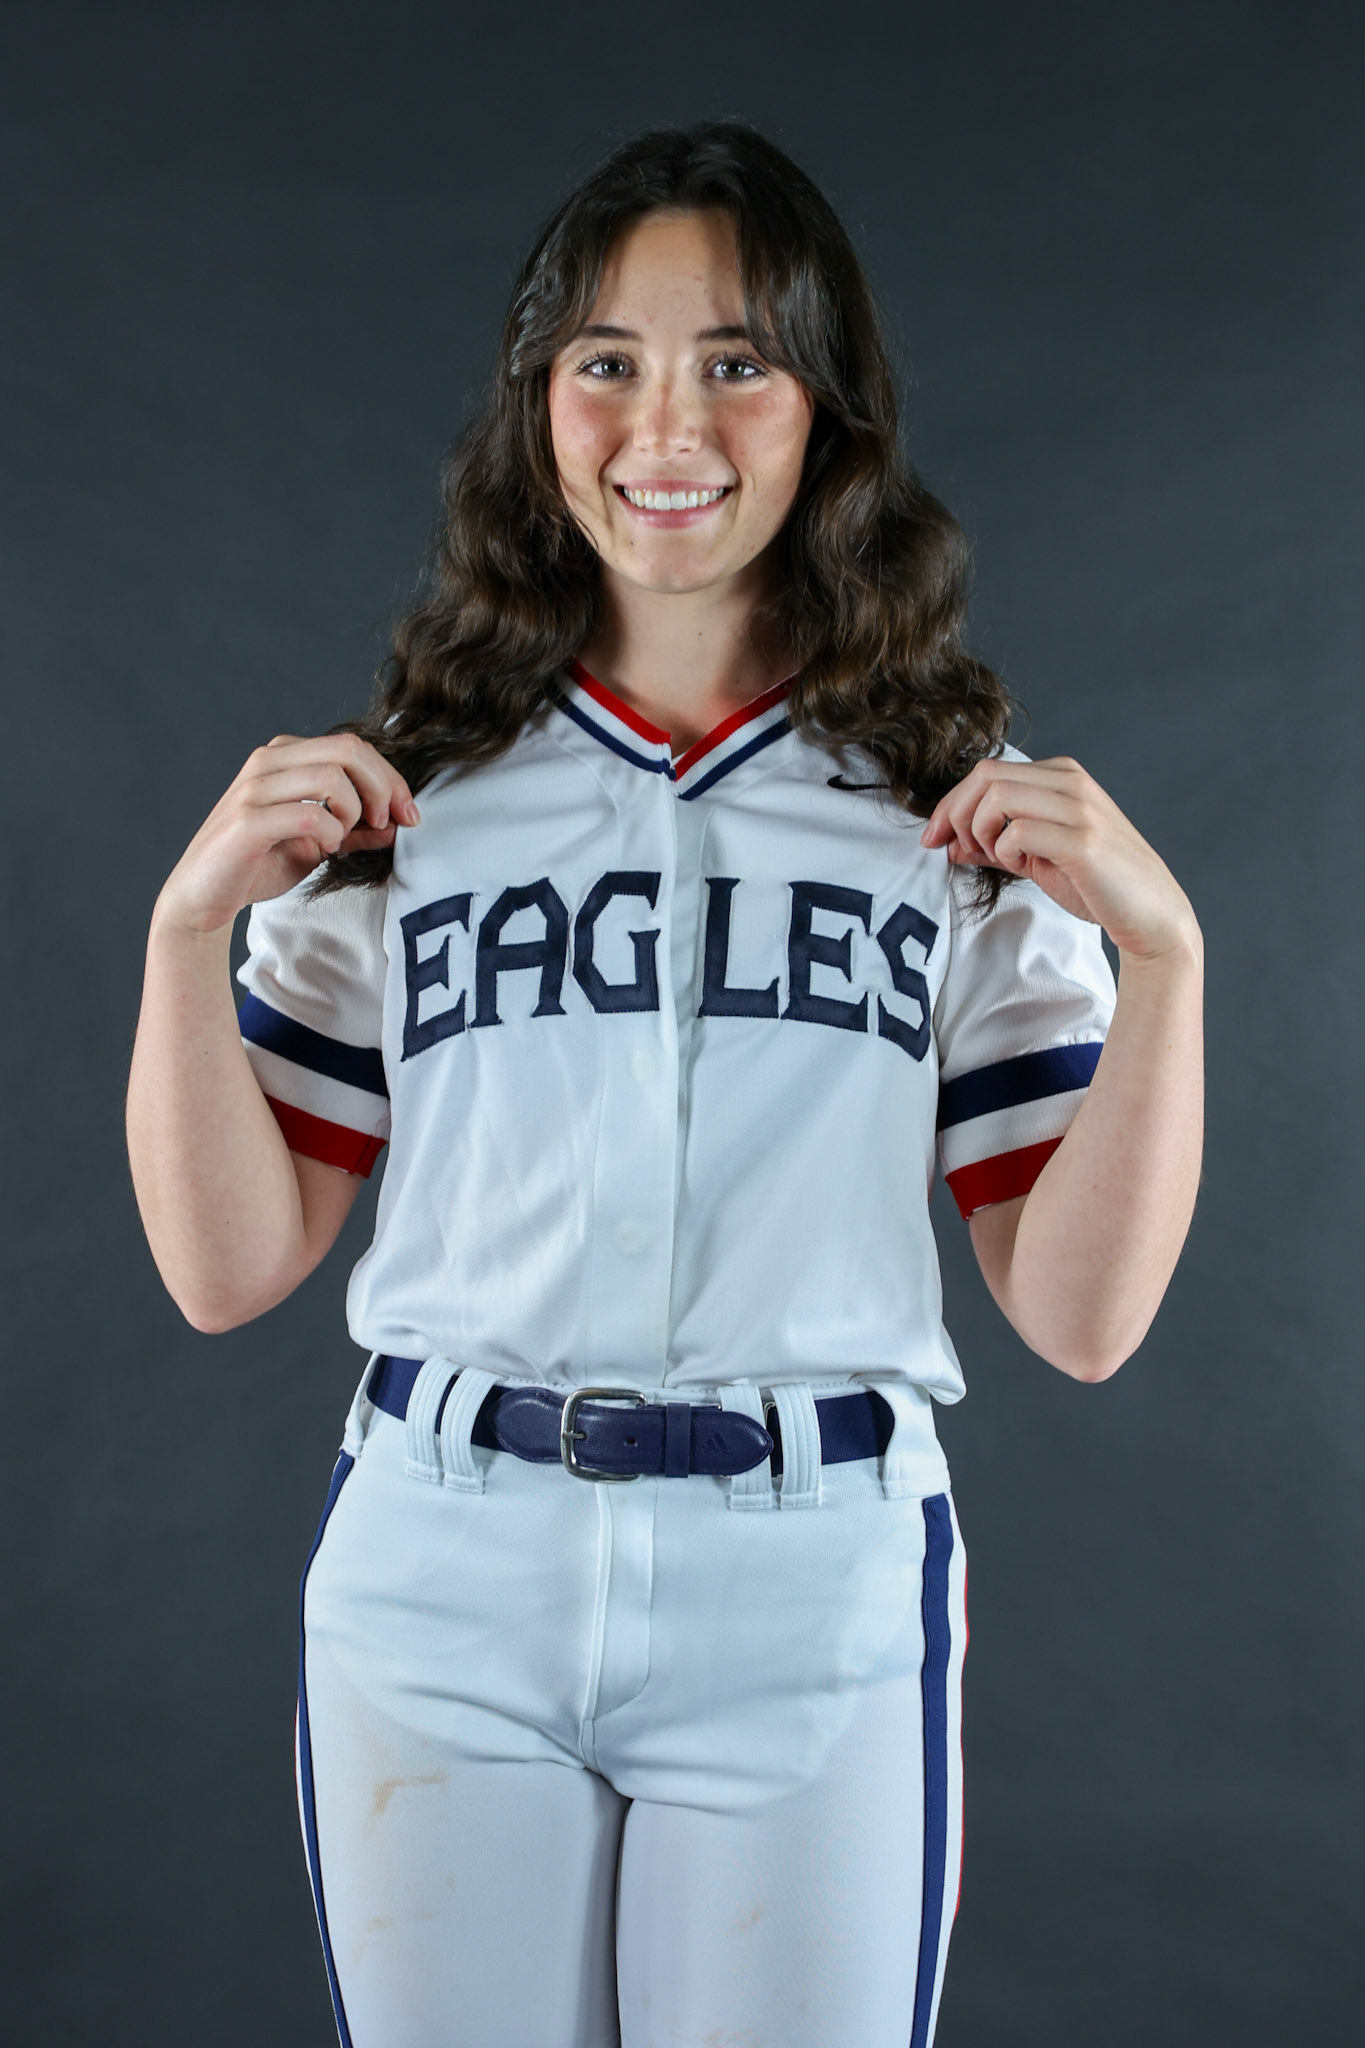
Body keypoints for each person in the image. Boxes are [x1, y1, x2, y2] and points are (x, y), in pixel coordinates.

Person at [125, 122, 1203, 2048]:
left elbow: (1082, 1314)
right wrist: (179, 936)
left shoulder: (943, 797)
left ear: (825, 409)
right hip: (444, 1559)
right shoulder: (418, 782)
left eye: (735, 359)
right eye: (605, 359)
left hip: (811, 1577)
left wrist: (1170, 965)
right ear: (540, 401)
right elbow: (224, 1265)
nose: (664, 420)